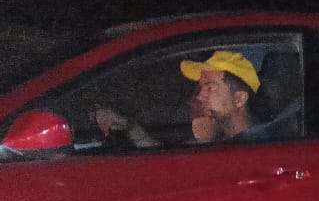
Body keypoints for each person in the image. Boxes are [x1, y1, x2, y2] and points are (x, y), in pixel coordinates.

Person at [95, 50, 267, 147]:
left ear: (239, 99)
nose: (199, 95)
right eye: (201, 88)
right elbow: (169, 161)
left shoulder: (258, 147)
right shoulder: (220, 137)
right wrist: (130, 127)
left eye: (210, 87)